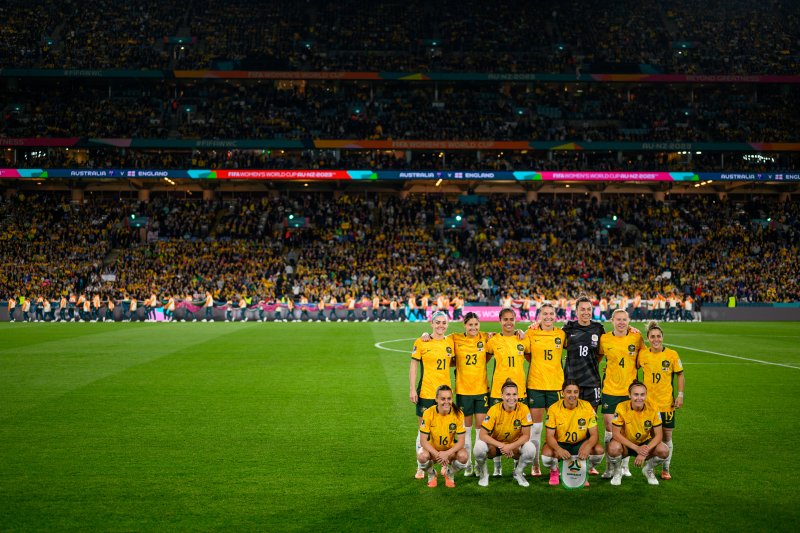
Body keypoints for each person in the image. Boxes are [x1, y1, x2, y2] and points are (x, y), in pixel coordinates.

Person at [598, 309, 644, 478]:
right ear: (612, 320)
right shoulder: (604, 339)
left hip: (629, 392)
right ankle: (610, 467)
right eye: (618, 319)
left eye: (624, 319)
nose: (621, 322)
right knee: (610, 429)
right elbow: (598, 356)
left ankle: (625, 466)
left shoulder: (636, 337)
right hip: (610, 390)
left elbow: (642, 359)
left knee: (627, 429)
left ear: (628, 321)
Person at [409, 311, 455, 479]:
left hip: (445, 396)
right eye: (438, 323)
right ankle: (421, 467)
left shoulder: (451, 342)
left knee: (446, 430)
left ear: (447, 324)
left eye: (444, 323)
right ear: (431, 323)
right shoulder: (421, 342)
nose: (441, 325)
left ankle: (445, 464)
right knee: (423, 431)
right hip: (426, 392)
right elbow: (413, 366)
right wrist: (412, 389)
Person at [485, 307, 530, 477]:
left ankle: (517, 468)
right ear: (500, 321)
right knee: (495, 430)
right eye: (505, 319)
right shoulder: (494, 340)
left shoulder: (523, 339)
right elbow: (484, 358)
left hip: (519, 392)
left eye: (512, 319)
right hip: (498, 391)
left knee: (518, 430)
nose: (509, 322)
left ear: (515, 320)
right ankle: (497, 467)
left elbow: (531, 358)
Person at [638, 321, 685, 480]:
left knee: (667, 438)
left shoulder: (672, 354)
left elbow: (680, 374)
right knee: (651, 438)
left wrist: (680, 395)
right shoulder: (643, 354)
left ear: (662, 337)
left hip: (666, 405)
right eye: (652, 337)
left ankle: (665, 469)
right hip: (648, 406)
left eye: (658, 336)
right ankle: (650, 469)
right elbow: (632, 367)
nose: (656, 339)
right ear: (648, 338)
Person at [524, 303, 566, 477]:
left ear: (555, 316)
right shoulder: (531, 332)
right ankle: (535, 465)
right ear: (539, 316)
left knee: (556, 428)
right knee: (536, 429)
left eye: (551, 314)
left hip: (556, 386)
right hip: (536, 385)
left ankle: (555, 465)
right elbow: (526, 352)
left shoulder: (561, 334)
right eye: (545, 314)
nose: (548, 316)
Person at [540, 380, 605, 486]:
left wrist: (588, 447)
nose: (572, 395)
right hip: (561, 443)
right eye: (569, 392)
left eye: (575, 392)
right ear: (563, 393)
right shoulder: (553, 409)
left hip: (580, 442)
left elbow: (594, 434)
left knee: (599, 451)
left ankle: (584, 470)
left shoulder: (587, 406)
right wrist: (559, 449)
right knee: (547, 456)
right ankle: (554, 471)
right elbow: (549, 436)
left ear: (579, 393)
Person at [473, 379, 536, 487]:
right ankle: (484, 474)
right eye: (508, 394)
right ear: (502, 396)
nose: (511, 398)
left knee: (531, 449)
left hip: (514, 447)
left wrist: (510, 446)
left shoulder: (524, 408)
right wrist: (503, 446)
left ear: (518, 395)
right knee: (478, 447)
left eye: (514, 394)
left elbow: (526, 436)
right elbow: (482, 434)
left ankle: (518, 473)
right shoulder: (494, 409)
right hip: (496, 447)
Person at [607, 381, 669, 486]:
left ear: (646, 395)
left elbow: (659, 435)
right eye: (636, 394)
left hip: (645, 443)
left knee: (664, 450)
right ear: (629, 395)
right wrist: (636, 448)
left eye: (642, 394)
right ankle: (618, 472)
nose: (639, 398)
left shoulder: (653, 407)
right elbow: (616, 434)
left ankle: (648, 470)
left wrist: (644, 451)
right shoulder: (621, 407)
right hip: (626, 445)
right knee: (613, 448)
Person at [417, 385, 469, 488]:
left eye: (449, 398)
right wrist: (438, 454)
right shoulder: (428, 413)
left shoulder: (458, 414)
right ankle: (432, 474)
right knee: (422, 457)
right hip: (433, 451)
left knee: (464, 457)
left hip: (450, 451)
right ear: (436, 399)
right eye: (443, 399)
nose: (446, 402)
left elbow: (461, 442)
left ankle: (449, 473)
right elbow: (423, 441)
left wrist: (447, 453)